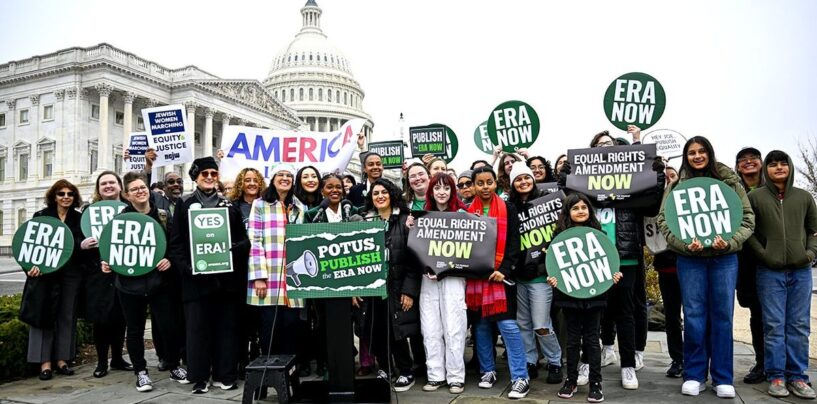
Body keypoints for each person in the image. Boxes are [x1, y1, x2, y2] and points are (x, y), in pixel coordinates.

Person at [657, 136, 754, 398]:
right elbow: (664, 220)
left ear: (709, 153)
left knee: (722, 316)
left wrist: (730, 242)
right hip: (690, 260)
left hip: (724, 258)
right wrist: (684, 245)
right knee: (694, 316)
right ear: (685, 157)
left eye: (701, 151)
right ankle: (695, 374)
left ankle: (723, 377)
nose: (697, 156)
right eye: (691, 152)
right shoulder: (678, 184)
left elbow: (747, 218)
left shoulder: (729, 180)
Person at [168, 157, 250, 394]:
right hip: (195, 281)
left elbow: (244, 240)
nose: (210, 178)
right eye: (205, 174)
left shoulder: (229, 206)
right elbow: (176, 245)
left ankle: (226, 374)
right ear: (195, 177)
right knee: (197, 331)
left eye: (214, 174)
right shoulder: (184, 205)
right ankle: (200, 376)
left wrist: (234, 248)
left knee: (226, 330)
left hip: (225, 282)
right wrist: (188, 268)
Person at [101, 171, 187, 392]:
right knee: (135, 330)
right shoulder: (119, 220)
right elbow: (109, 248)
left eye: (142, 187)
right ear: (127, 195)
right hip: (129, 284)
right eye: (134, 189)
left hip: (160, 283)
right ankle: (141, 371)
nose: (140, 191)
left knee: (168, 326)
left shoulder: (164, 215)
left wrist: (169, 260)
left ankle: (174, 364)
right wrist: (107, 263)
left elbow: (175, 245)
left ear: (148, 191)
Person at [746, 150, 817, 399]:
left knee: (799, 326)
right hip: (769, 272)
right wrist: (764, 255)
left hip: (801, 271)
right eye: (773, 164)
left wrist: (810, 254)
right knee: (774, 326)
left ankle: (798, 377)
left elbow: (814, 231)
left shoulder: (805, 197)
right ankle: (776, 376)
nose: (778, 167)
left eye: (783, 163)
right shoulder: (755, 197)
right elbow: (749, 232)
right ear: (766, 168)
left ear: (789, 167)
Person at [549, 193, 623, 403]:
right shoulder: (559, 237)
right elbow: (554, 266)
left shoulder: (599, 235)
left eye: (584, 207)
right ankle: (571, 380)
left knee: (592, 340)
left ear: (590, 211)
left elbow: (609, 263)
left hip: (596, 296)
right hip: (568, 295)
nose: (580, 211)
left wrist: (613, 275)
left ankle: (595, 382)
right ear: (567, 212)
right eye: (575, 208)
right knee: (572, 341)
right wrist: (553, 280)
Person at [467, 166, 530, 399]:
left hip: (501, 279)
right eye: (480, 183)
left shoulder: (508, 208)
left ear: (496, 184)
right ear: (473, 186)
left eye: (489, 182)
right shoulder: (465, 212)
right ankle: (487, 371)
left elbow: (515, 243)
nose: (484, 187)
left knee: (508, 328)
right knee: (481, 327)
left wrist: (504, 270)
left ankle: (520, 378)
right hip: (476, 280)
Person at [355, 179, 420, 392]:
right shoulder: (364, 221)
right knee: (376, 328)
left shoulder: (405, 220)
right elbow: (355, 259)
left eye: (384, 192)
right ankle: (385, 367)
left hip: (397, 286)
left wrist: (409, 291)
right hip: (373, 288)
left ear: (392, 194)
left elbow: (413, 260)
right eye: (375, 193)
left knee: (397, 331)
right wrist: (356, 289)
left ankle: (405, 370)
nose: (380, 196)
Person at [408, 172, 468, 394]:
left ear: (452, 191)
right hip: (428, 280)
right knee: (430, 328)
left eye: (446, 188)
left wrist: (444, 270)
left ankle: (455, 377)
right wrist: (410, 227)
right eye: (437, 188)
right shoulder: (421, 216)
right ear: (431, 191)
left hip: (452, 279)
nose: (441, 192)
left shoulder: (462, 215)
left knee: (454, 327)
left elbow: (468, 254)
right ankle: (435, 375)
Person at [247, 164, 307, 376]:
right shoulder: (260, 204)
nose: (285, 179)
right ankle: (268, 374)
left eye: (289, 176)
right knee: (269, 329)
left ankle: (289, 375)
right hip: (269, 277)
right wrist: (259, 277)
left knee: (292, 327)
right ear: (272, 179)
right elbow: (254, 241)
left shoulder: (299, 207)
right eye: (281, 175)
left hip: (293, 278)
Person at [22, 180, 84, 381]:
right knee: (43, 316)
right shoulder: (41, 217)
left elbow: (82, 247)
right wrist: (29, 269)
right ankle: (44, 363)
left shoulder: (79, 218)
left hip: (70, 275)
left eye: (70, 194)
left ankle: (62, 360)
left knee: (67, 315)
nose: (66, 197)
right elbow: (27, 246)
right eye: (61, 193)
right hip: (44, 275)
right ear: (53, 196)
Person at [507, 162, 563, 384]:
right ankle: (530, 360)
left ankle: (555, 361)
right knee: (523, 324)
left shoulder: (548, 204)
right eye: (518, 179)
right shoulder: (510, 206)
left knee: (541, 324)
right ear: (513, 183)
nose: (523, 182)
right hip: (519, 276)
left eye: (526, 178)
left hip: (541, 276)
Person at [79, 171, 131, 378]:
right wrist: (82, 245)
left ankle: (117, 358)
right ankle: (101, 362)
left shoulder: (129, 210)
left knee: (121, 317)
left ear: (119, 186)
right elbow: (75, 241)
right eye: (103, 184)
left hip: (124, 272)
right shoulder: (88, 212)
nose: (108, 186)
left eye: (112, 182)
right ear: (98, 189)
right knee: (101, 319)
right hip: (97, 274)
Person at [226, 167, 267, 378]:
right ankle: (240, 361)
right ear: (241, 183)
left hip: (262, 268)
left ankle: (257, 357)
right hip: (239, 269)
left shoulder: (267, 206)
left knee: (258, 320)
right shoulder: (232, 207)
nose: (251, 183)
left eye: (255, 180)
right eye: (247, 180)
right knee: (240, 318)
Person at [734, 146, 766, 384]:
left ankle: (783, 364)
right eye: (743, 160)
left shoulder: (773, 188)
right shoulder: (733, 191)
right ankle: (762, 362)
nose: (748, 162)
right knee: (756, 314)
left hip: (773, 260)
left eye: (753, 159)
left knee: (777, 317)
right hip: (746, 262)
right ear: (737, 167)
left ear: (761, 163)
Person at [653, 166, 684, 378]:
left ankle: (695, 358)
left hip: (691, 264)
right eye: (665, 177)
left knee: (694, 315)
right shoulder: (655, 202)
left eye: (672, 176)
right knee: (672, 316)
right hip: (667, 267)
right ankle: (678, 359)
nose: (668, 180)